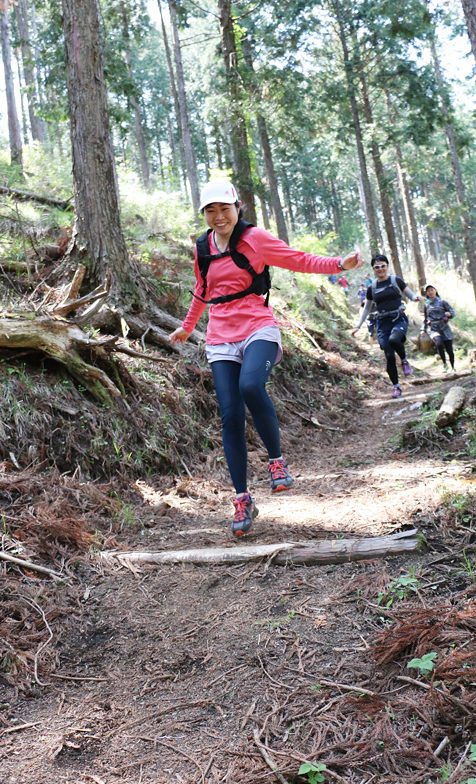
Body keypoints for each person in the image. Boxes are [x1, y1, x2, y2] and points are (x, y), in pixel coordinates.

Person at [170, 179, 364, 537]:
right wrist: (187, 327)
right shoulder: (202, 247)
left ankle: (277, 462)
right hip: (220, 337)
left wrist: (339, 263)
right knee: (230, 416)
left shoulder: (255, 239)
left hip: (258, 327)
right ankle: (242, 499)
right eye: (210, 210)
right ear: (204, 214)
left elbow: (298, 259)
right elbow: (202, 289)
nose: (218, 216)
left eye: (224, 208)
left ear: (237, 207)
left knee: (250, 386)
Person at [351, 254, 424, 398]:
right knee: (389, 356)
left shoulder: (395, 280)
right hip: (383, 323)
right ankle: (396, 387)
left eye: (383, 266)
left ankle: (404, 360)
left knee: (394, 340)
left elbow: (410, 294)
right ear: (373, 269)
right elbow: (367, 308)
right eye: (377, 267)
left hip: (398, 318)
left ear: (387, 266)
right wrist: (358, 325)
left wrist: (417, 297)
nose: (380, 269)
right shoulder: (372, 287)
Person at [423, 284, 456, 371]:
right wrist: (423, 329)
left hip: (445, 328)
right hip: (434, 328)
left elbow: (452, 312)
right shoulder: (426, 305)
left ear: (435, 290)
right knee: (439, 344)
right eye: (428, 291)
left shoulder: (442, 302)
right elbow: (426, 319)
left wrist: (449, 314)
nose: (430, 292)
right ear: (426, 293)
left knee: (449, 349)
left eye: (432, 290)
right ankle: (444, 364)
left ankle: (453, 366)